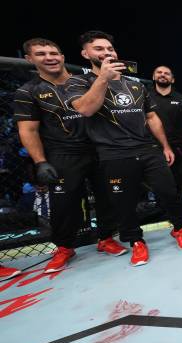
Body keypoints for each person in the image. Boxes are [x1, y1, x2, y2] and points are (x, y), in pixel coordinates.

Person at [65, 31, 182, 266]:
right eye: (99, 49)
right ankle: (135, 241)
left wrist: (165, 146)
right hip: (114, 153)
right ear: (85, 53)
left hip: (148, 148)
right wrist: (102, 78)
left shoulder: (134, 85)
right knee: (124, 203)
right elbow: (85, 109)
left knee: (169, 193)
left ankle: (179, 228)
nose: (106, 53)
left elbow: (152, 117)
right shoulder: (78, 81)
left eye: (110, 49)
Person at [14, 38, 126, 273]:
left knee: (108, 196)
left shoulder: (88, 80)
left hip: (99, 147)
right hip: (63, 153)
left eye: (54, 52)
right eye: (41, 54)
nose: (50, 57)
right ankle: (64, 247)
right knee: (64, 203)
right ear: (29, 59)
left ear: (63, 56)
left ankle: (106, 238)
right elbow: (28, 129)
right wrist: (40, 162)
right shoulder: (28, 91)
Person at [150, 65, 182, 197]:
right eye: (159, 72)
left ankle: (177, 214)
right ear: (153, 77)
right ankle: (157, 212)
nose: (162, 75)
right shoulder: (145, 96)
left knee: (176, 183)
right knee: (154, 184)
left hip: (176, 147)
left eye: (167, 73)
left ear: (172, 80)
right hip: (151, 147)